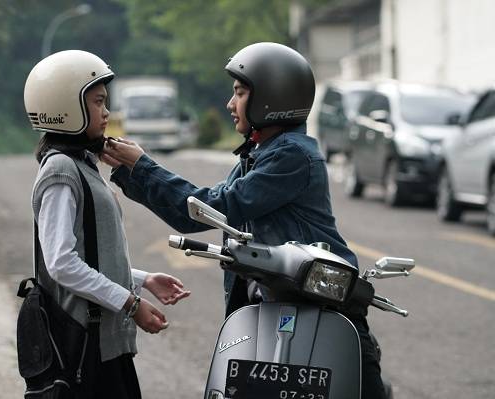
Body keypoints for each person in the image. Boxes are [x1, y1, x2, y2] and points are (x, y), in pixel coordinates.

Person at [102, 42, 386, 399]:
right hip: (272, 302)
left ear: (271, 98)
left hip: (320, 301)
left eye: (239, 93)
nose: (230, 104)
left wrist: (143, 166)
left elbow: (220, 203)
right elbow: (198, 216)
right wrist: (131, 173)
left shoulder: (292, 155)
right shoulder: (256, 156)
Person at [24, 50, 190, 398]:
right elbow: (63, 264)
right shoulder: (60, 171)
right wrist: (131, 303)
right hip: (83, 349)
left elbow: (93, 253)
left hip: (103, 346)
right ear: (68, 107)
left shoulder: (80, 163)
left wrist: (143, 281)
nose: (107, 112)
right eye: (98, 102)